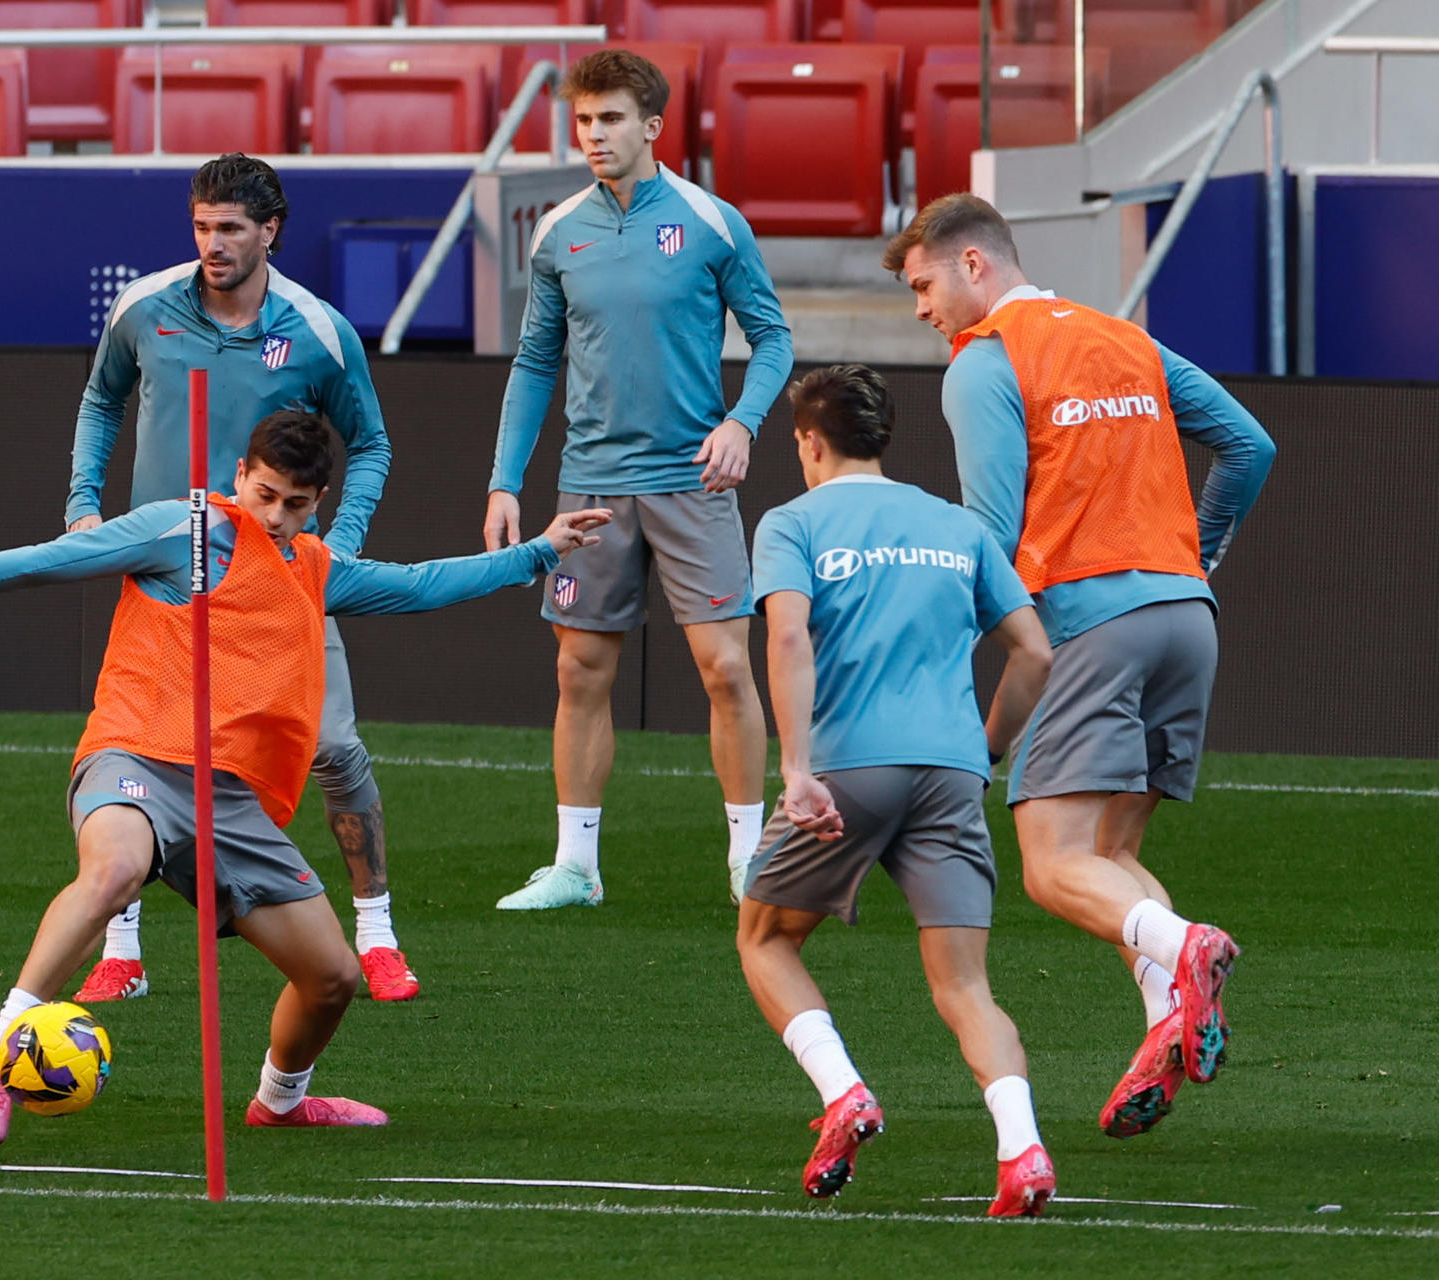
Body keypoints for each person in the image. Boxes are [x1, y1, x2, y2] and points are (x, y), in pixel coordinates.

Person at [0, 412, 610, 1141]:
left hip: (228, 801)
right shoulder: (180, 529)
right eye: (263, 494)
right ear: (239, 475)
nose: (274, 515)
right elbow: (51, 561)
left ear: (317, 503)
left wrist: (539, 551)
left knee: (331, 977)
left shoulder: (313, 566)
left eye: (294, 503)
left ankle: (282, 1102)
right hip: (133, 755)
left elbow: (420, 586)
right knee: (116, 871)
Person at [884, 194, 1276, 1138]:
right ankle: (1163, 1026)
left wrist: (937, 646)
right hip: (1189, 617)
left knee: (1052, 866)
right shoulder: (1124, 337)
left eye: (924, 284)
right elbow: (1250, 446)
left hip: (1093, 623)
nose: (922, 309)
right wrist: (1202, 547)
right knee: (1112, 856)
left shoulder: (983, 363)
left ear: (973, 264)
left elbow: (988, 532)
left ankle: (1188, 947)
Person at [65, 154, 418, 1003]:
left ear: (270, 232)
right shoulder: (144, 308)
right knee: (139, 753)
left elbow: (369, 442)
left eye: (230, 228)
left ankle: (376, 929)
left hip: (278, 585)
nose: (212, 244)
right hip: (163, 581)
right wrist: (84, 503)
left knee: (334, 747)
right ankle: (122, 950)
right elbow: (100, 400)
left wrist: (340, 543)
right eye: (201, 226)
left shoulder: (318, 329)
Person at [740, 364, 1057, 1215]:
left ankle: (844, 1092)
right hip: (949, 770)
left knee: (765, 939)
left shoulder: (791, 521)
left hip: (849, 769)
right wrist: (981, 754)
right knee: (966, 989)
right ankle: (1022, 1149)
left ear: (809, 441)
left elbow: (788, 637)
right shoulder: (956, 526)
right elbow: (1035, 653)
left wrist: (797, 768)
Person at [485, 50, 795, 910]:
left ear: (652, 125)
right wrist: (505, 479)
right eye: (584, 120)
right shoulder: (559, 232)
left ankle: (748, 861)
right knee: (580, 671)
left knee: (727, 668)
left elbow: (773, 338)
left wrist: (742, 422)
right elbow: (535, 361)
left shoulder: (710, 221)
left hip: (694, 478)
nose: (594, 135)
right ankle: (576, 868)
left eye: (612, 119)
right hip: (589, 485)